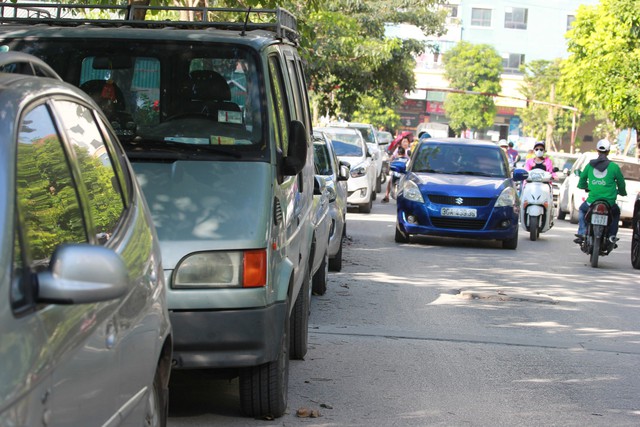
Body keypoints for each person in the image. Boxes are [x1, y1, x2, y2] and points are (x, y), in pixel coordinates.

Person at [573, 139, 626, 245]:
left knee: (582, 210)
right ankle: (611, 236)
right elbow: (621, 182)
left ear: (597, 150)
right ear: (608, 151)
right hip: (609, 203)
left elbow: (582, 180)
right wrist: (622, 192)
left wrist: (585, 186)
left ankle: (582, 232)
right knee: (616, 214)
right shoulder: (614, 167)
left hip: (592, 201)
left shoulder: (589, 165)